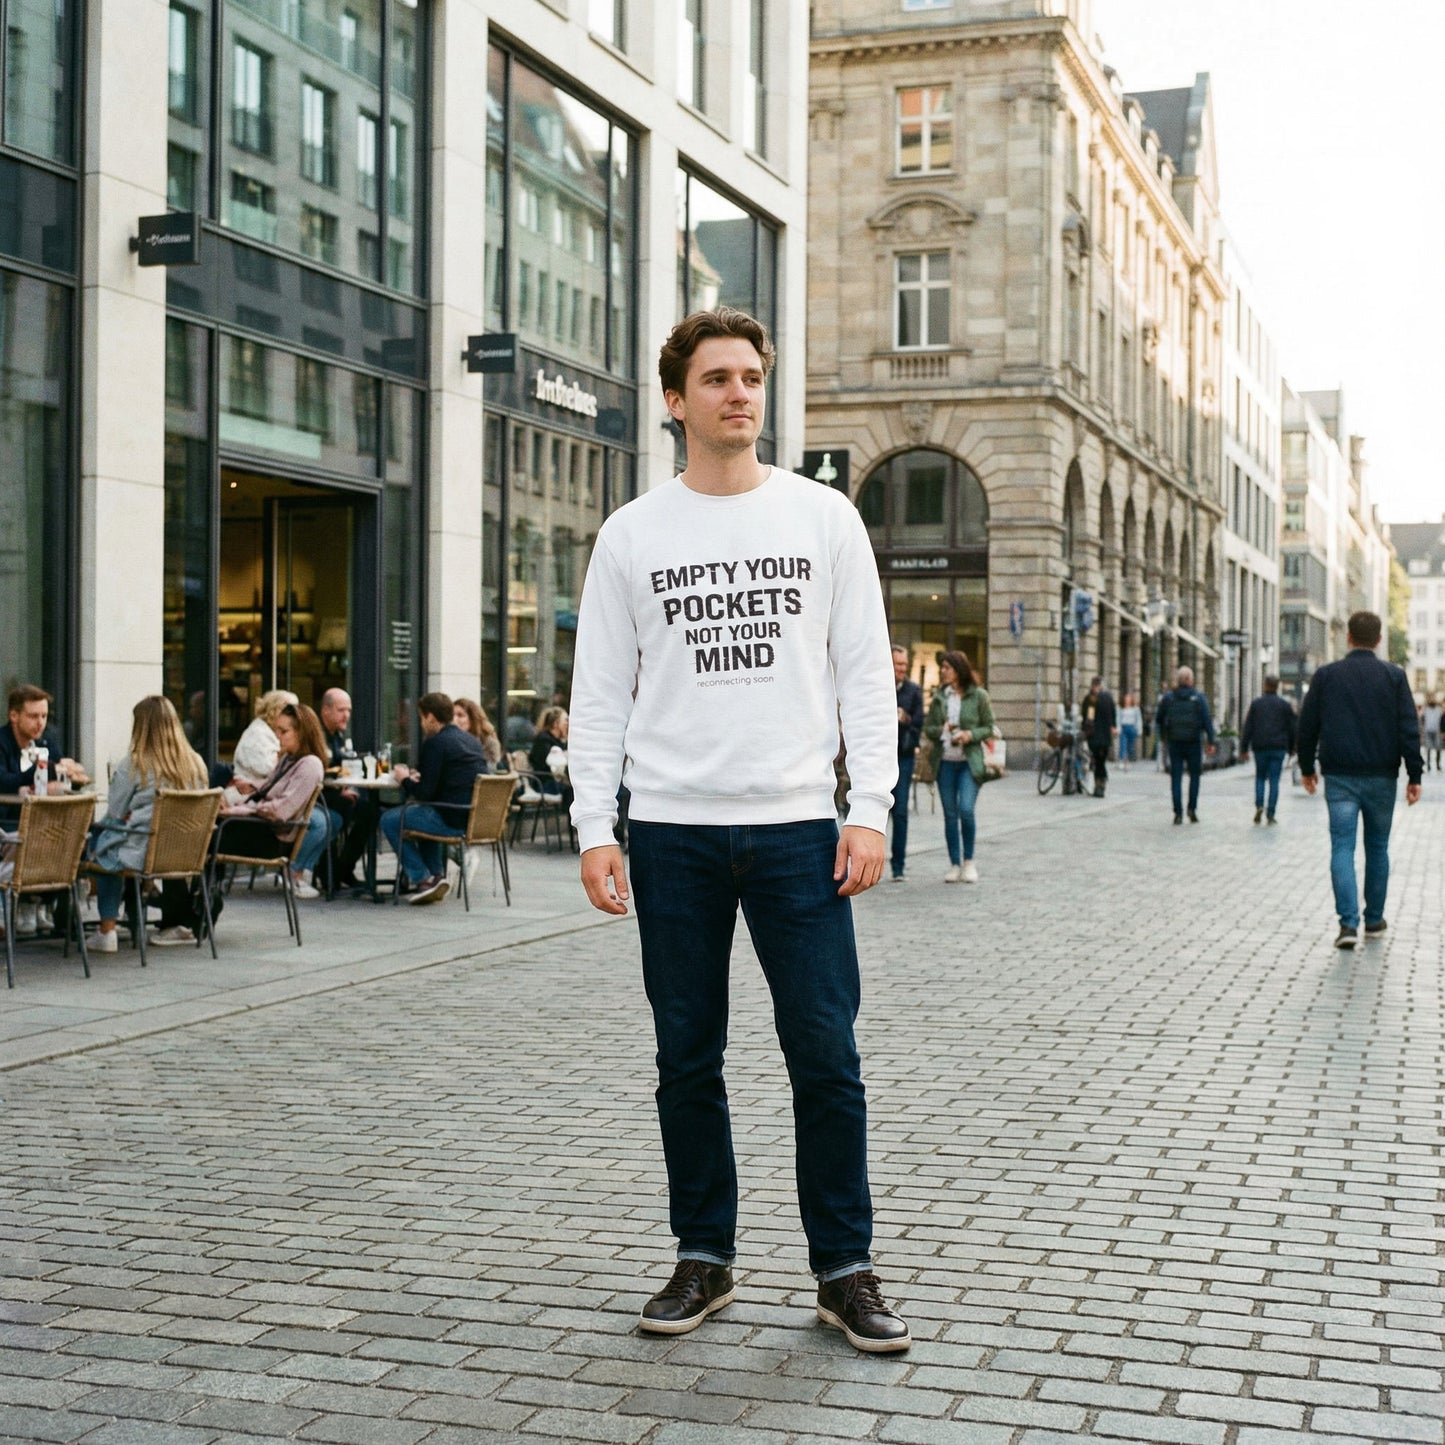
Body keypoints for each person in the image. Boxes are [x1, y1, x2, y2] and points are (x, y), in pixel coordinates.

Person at [568, 307, 908, 1353]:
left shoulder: (820, 519)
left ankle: (841, 1268)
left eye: (750, 375)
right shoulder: (633, 533)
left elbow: (863, 672)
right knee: (686, 1057)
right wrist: (594, 824)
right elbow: (598, 694)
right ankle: (702, 1254)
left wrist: (869, 809)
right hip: (670, 830)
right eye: (715, 377)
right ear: (675, 400)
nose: (738, 393)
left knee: (825, 1054)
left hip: (798, 830)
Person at [1297, 611, 1423, 950]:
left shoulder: (1326, 676)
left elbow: (1307, 726)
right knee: (1378, 848)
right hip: (1382, 775)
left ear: (1348, 638)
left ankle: (1348, 924)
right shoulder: (1394, 677)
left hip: (1339, 776)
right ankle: (1374, 919)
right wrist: (1414, 774)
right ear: (1379, 640)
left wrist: (1307, 768)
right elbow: (1409, 728)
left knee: (1342, 846)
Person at [87, 696, 210, 951]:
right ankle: (147, 886)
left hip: (141, 853)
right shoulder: (196, 763)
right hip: (184, 853)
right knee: (107, 838)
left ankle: (107, 929)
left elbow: (116, 811)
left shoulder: (135, 764)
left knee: (99, 842)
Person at [379, 692, 488, 905]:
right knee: (420, 817)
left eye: (421, 718)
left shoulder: (435, 742)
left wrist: (404, 780)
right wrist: (421, 778)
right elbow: (450, 778)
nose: (421, 723)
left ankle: (422, 878)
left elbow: (424, 794)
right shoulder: (471, 741)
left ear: (430, 717)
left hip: (449, 817)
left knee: (390, 820)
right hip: (471, 818)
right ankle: (437, 877)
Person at [0, 684, 91, 937]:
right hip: (8, 821)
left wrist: (68, 773)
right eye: (33, 716)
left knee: (76, 836)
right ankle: (29, 904)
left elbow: (58, 772)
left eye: (44, 716)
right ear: (14, 715)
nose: (40, 723)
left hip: (44, 819)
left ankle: (44, 903)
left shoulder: (47, 739)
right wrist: (44, 769)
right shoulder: (2, 742)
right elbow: (4, 780)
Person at [215, 702, 329, 900]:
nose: (277, 736)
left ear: (302, 732)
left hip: (274, 838)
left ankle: (202, 903)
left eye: (283, 731)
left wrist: (243, 810)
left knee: (205, 839)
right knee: (204, 833)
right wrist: (253, 788)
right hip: (262, 829)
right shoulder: (289, 759)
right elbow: (272, 789)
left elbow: (281, 810)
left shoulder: (310, 765)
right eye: (277, 730)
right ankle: (204, 901)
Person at [923, 651, 994, 883]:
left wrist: (970, 734)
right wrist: (943, 730)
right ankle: (954, 863)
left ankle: (969, 862)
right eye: (942, 667)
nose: (943, 671)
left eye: (946, 667)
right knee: (950, 814)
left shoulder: (979, 696)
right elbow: (929, 729)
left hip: (969, 763)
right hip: (945, 763)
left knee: (966, 809)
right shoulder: (939, 697)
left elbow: (989, 727)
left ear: (958, 670)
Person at [318, 687, 378, 891]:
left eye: (349, 710)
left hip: (334, 793)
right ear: (326, 710)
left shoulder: (338, 735)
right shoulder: (318, 735)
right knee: (344, 812)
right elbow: (317, 772)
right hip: (318, 797)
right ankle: (330, 872)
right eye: (341, 710)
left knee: (370, 812)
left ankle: (343, 868)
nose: (347, 715)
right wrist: (339, 790)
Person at [1155, 666, 1216, 824]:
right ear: (1190, 680)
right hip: (1193, 742)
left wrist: (1163, 736)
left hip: (1174, 742)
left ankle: (1178, 813)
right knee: (1194, 776)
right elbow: (1207, 720)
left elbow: (1159, 718)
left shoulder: (1168, 698)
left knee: (1176, 777)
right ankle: (1192, 809)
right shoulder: (1199, 697)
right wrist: (1211, 741)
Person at [1239, 676, 1297, 825]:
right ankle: (1271, 813)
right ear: (1277, 686)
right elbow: (1292, 729)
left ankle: (1259, 805)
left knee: (1260, 777)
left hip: (1260, 746)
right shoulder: (1284, 705)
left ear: (1265, 685)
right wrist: (1292, 749)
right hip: (1278, 747)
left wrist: (1244, 748)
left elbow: (1248, 727)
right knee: (1274, 780)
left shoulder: (1256, 704)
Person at [888, 645, 924, 882]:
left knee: (900, 811)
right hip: (879, 755)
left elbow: (920, 722)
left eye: (903, 665)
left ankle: (898, 865)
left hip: (903, 755)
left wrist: (905, 717)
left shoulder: (913, 691)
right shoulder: (878, 686)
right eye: (897, 664)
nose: (901, 669)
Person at [226, 690, 299, 802]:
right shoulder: (258, 733)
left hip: (262, 796)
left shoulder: (268, 731)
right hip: (247, 798)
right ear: (276, 710)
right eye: (291, 712)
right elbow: (272, 772)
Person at [1082, 675, 1117, 798]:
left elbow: (1088, 718)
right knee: (1101, 761)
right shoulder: (1108, 697)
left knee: (1098, 761)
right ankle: (1101, 784)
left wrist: (1084, 731)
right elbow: (1113, 714)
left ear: (1093, 685)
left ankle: (1099, 786)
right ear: (1100, 685)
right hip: (1106, 736)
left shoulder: (1091, 698)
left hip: (1095, 736)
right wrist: (1113, 727)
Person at [454, 698, 504, 770]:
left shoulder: (488, 742)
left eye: (460, 715)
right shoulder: (450, 739)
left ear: (472, 719)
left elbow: (491, 771)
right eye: (452, 715)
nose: (454, 719)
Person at [1117, 692, 1142, 770]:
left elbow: (1138, 719)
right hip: (1123, 727)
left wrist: (1139, 729)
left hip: (1132, 727)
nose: (1127, 701)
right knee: (1123, 744)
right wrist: (1118, 728)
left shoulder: (1135, 709)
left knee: (1130, 745)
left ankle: (1129, 760)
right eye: (1126, 699)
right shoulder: (1121, 709)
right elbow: (1118, 719)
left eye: (1129, 699)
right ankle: (1122, 760)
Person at [1421, 695, 1442, 773]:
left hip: (1437, 731)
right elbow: (1422, 719)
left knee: (1438, 749)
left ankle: (1438, 765)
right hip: (1428, 731)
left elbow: (1442, 720)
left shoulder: (1439, 709)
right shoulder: (1425, 710)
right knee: (1428, 749)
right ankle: (1429, 766)